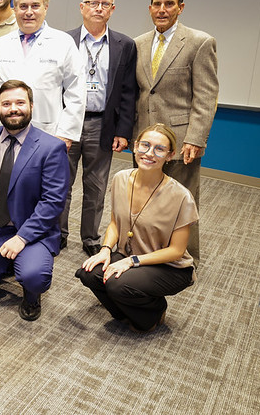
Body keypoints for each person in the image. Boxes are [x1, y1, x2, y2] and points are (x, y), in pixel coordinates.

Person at [75, 123, 197, 332]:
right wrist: (105, 250)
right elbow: (115, 223)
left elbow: (176, 251)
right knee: (88, 272)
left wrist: (131, 262)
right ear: (135, 146)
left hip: (169, 266)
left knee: (117, 285)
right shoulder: (121, 179)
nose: (149, 153)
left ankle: (154, 311)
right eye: (145, 146)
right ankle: (126, 312)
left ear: (170, 155)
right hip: (129, 255)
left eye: (159, 149)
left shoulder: (181, 196)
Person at [0, 80, 69, 321]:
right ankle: (6, 262)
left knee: (34, 276)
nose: (13, 108)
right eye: (6, 103)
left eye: (20, 103)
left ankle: (31, 294)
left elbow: (53, 202)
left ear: (31, 106)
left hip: (31, 230)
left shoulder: (51, 147)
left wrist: (22, 238)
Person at [133, 0, 218, 265]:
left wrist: (196, 138)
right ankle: (147, 250)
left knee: (183, 201)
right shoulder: (139, 43)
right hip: (145, 140)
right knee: (145, 199)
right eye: (157, 4)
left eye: (169, 4)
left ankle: (185, 257)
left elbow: (206, 96)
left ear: (180, 8)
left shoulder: (199, 42)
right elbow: (138, 93)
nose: (162, 10)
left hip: (182, 141)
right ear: (150, 8)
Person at [61, 0, 137, 255]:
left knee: (95, 187)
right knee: (61, 183)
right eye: (93, 2)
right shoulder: (63, 41)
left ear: (112, 10)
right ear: (82, 7)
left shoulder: (124, 45)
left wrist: (123, 131)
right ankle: (58, 234)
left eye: (105, 4)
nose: (98, 8)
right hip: (67, 123)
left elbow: (129, 91)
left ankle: (91, 238)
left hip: (102, 123)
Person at [0, 0, 85, 152]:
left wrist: (66, 133)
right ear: (15, 9)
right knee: (1, 177)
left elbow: (76, 92)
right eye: (23, 6)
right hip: (1, 129)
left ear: (46, 8)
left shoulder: (63, 43)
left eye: (35, 6)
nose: (29, 12)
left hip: (47, 131)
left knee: (41, 177)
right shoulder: (0, 45)